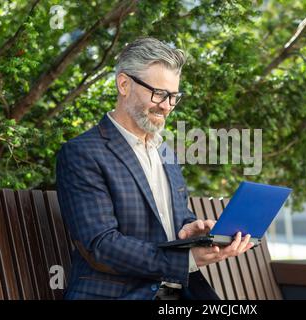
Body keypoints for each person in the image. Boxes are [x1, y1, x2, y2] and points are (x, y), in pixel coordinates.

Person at [56, 37, 254, 300]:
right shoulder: (83, 153)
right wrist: (185, 261)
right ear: (124, 84)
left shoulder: (165, 151)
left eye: (173, 97)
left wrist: (192, 230)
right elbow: (101, 245)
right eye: (159, 93)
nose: (167, 106)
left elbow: (176, 219)